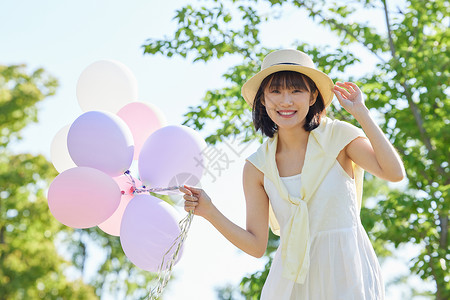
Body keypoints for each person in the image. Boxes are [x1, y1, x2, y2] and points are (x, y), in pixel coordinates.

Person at [179, 49, 405, 299]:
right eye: (275, 91)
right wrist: (209, 211)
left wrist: (361, 113)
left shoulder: (339, 137)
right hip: (290, 283)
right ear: (262, 100)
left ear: (312, 97)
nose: (285, 101)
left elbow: (393, 173)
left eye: (296, 90)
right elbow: (256, 245)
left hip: (346, 273)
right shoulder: (257, 166)